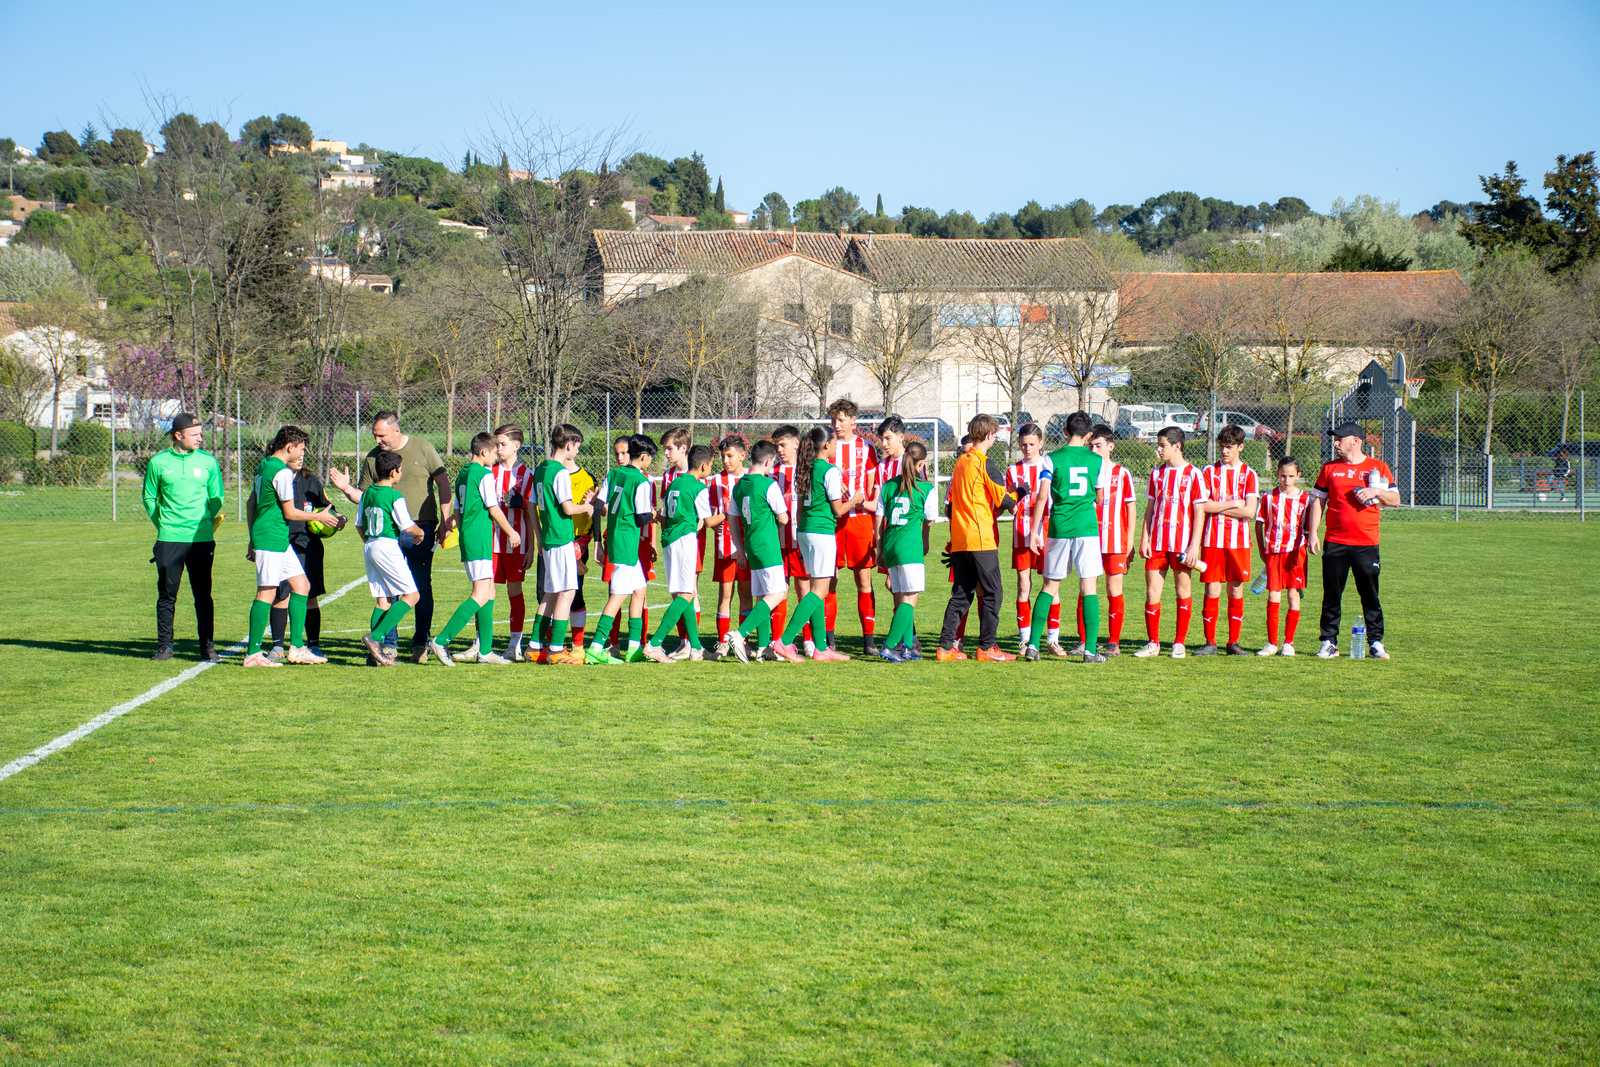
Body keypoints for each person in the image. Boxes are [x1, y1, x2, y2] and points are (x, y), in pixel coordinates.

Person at [329, 411, 453, 664]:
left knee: (420, 586)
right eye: (375, 435)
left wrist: (444, 520)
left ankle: (420, 643)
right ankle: (386, 645)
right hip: (392, 534)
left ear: (396, 430)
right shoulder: (373, 458)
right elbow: (365, 496)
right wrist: (346, 488)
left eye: (381, 435)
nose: (377, 440)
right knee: (391, 594)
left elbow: (443, 483)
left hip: (420, 526)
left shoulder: (423, 447)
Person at [242, 426, 341, 667]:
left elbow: (250, 504)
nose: (302, 454)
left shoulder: (263, 465)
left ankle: (297, 648)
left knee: (302, 585)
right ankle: (253, 654)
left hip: (275, 537)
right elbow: (290, 512)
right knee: (266, 593)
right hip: (272, 537)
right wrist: (319, 517)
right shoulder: (283, 472)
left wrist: (252, 538)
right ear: (290, 447)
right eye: (301, 449)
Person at [1307, 422, 1399, 659]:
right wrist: (1313, 532)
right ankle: (1329, 642)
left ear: (1356, 441)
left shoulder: (1378, 467)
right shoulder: (1329, 468)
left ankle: (1376, 642)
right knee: (1331, 596)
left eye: (1340, 439)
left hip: (1366, 543)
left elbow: (1395, 500)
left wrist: (1376, 491)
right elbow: (1318, 501)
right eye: (1335, 439)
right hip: (1335, 542)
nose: (1335, 443)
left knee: (1370, 595)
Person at [428, 433, 521, 666]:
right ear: (484, 452)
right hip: (479, 538)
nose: (496, 456)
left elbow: (457, 510)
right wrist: (511, 532)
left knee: (489, 592)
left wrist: (455, 528)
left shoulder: (463, 473)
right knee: (480, 594)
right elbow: (494, 508)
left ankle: (485, 651)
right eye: (494, 452)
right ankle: (441, 640)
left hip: (472, 537)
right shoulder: (484, 474)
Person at [1024, 412, 1109, 663]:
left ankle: (1032, 646)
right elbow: (1100, 498)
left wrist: (1034, 531)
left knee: (1049, 587)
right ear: (1089, 434)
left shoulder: (1051, 459)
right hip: (1086, 527)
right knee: (1089, 588)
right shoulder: (1097, 460)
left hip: (1059, 527)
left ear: (1064, 431)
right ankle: (1090, 651)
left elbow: (1042, 496)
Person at [936, 414, 1020, 662]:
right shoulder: (985, 463)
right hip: (980, 538)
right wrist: (1020, 492)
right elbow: (1004, 500)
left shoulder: (960, 462)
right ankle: (987, 647)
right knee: (994, 592)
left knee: (961, 594)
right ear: (990, 435)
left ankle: (945, 647)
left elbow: (951, 505)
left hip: (960, 538)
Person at [142, 412, 224, 661]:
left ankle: (207, 647)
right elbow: (149, 498)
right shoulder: (158, 462)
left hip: (201, 539)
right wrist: (164, 525)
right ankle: (165, 647)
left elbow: (216, 498)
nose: (200, 438)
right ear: (178, 435)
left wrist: (203, 523)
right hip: (169, 539)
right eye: (195, 434)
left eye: (201, 434)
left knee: (203, 595)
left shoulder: (208, 462)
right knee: (167, 595)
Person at [1133, 426, 1209, 659]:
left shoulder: (1194, 474)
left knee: (1182, 590)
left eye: (1162, 445)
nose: (1158, 449)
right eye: (1158, 445)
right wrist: (1144, 538)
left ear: (1177, 446)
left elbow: (1200, 512)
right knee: (1152, 591)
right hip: (1157, 543)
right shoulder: (1156, 474)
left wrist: (1194, 545)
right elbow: (1150, 508)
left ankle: (1179, 643)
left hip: (1182, 545)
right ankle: (1153, 644)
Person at [586, 434, 657, 664]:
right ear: (643, 456)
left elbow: (598, 506)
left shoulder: (613, 474)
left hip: (616, 539)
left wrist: (598, 542)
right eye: (651, 458)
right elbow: (641, 518)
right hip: (627, 542)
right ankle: (596, 646)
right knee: (618, 595)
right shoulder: (641, 481)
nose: (650, 462)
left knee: (639, 590)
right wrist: (655, 514)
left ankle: (634, 648)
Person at [644, 443, 716, 663]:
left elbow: (664, 516)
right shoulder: (698, 487)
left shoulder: (674, 482)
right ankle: (655, 644)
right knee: (685, 594)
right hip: (684, 540)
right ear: (704, 466)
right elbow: (709, 521)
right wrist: (728, 512)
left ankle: (696, 648)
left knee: (684, 594)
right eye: (711, 465)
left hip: (670, 540)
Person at [727, 440, 798, 663]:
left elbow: (731, 518)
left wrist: (740, 548)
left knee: (762, 595)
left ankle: (763, 647)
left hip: (750, 545)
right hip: (767, 545)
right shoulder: (769, 485)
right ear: (768, 461)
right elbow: (783, 518)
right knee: (777, 593)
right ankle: (739, 634)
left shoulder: (739, 485)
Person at [794, 425, 860, 661]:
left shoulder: (805, 467)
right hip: (821, 532)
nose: (835, 447)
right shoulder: (829, 469)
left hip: (805, 530)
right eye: (833, 443)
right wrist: (856, 499)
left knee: (815, 589)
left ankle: (821, 648)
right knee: (819, 591)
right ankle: (785, 641)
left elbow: (800, 507)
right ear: (825, 445)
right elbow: (838, 510)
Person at [1194, 425, 1261, 657]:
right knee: (1212, 588)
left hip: (1239, 542)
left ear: (1240, 447)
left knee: (1235, 589)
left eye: (1229, 447)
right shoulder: (1209, 471)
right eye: (1222, 446)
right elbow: (1203, 506)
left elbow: (1250, 512)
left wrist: (1218, 507)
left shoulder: (1249, 474)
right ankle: (1210, 642)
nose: (1224, 451)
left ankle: (1233, 642)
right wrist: (1233, 504)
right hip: (1212, 540)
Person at [356, 450, 425, 667]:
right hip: (387, 546)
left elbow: (359, 524)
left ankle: (373, 657)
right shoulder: (395, 496)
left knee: (383, 601)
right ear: (394, 472)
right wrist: (421, 532)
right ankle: (375, 638)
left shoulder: (367, 493)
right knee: (412, 596)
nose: (401, 473)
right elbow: (407, 526)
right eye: (400, 470)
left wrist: (369, 542)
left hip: (370, 545)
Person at [875, 441, 937, 663]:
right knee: (909, 599)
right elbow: (929, 519)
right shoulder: (925, 489)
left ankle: (909, 647)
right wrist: (925, 540)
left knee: (902, 596)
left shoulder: (888, 485)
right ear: (922, 463)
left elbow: (879, 518)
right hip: (909, 546)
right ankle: (891, 645)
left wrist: (879, 549)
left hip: (890, 545)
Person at [828, 398, 882, 654]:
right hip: (834, 521)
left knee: (864, 580)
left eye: (841, 420)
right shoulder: (828, 447)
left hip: (860, 521)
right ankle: (828, 639)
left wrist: (862, 501)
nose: (836, 425)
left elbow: (871, 487)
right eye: (833, 420)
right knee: (829, 580)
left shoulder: (867, 448)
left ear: (853, 421)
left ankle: (869, 640)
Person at [484, 425, 536, 661]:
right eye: (496, 444)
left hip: (516, 546)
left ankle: (515, 644)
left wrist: (531, 548)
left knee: (515, 592)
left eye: (502, 444)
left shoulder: (528, 475)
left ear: (516, 446)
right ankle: (481, 643)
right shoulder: (488, 472)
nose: (498, 448)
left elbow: (531, 515)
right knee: (485, 593)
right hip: (490, 544)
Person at [1085, 425, 1137, 656]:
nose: (1094, 450)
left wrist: (1130, 542)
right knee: (1087, 589)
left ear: (1110, 446)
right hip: (1089, 540)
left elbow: (1131, 508)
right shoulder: (1086, 471)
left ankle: (1113, 642)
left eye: (1099, 446)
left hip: (1115, 542)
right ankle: (1084, 640)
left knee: (1113, 589)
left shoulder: (1122, 473)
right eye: (1091, 446)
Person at [1006, 422, 1057, 653]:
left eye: (1032, 444)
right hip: (1022, 534)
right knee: (1023, 584)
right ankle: (1025, 639)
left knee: (1051, 584)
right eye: (1023, 444)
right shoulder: (1013, 470)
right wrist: (1013, 503)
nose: (1027, 448)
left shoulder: (1050, 466)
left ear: (1041, 443)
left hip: (1048, 532)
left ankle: (1052, 639)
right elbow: (1010, 504)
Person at [1255, 456, 1311, 657]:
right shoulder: (1269, 497)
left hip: (1296, 554)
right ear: (1277, 474)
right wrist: (1262, 550)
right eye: (1283, 476)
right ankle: (1272, 643)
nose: (1286, 480)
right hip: (1274, 552)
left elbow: (1308, 528)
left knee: (1293, 595)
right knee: (1273, 594)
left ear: (1298, 475)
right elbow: (1259, 524)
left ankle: (1289, 642)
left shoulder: (1305, 499)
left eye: (1291, 476)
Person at [772, 424, 817, 655]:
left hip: (801, 542)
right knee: (779, 591)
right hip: (777, 542)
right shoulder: (772, 473)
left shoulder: (808, 470)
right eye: (777, 446)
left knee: (804, 590)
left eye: (783, 445)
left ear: (796, 444)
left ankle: (808, 639)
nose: (779, 450)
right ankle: (777, 640)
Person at [708, 434, 751, 656]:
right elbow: (712, 516)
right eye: (723, 456)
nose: (725, 460)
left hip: (748, 546)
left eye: (730, 456)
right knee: (725, 594)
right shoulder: (717, 480)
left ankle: (743, 640)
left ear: (743, 455)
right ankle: (723, 642)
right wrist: (718, 527)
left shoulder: (752, 477)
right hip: (724, 547)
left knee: (746, 594)